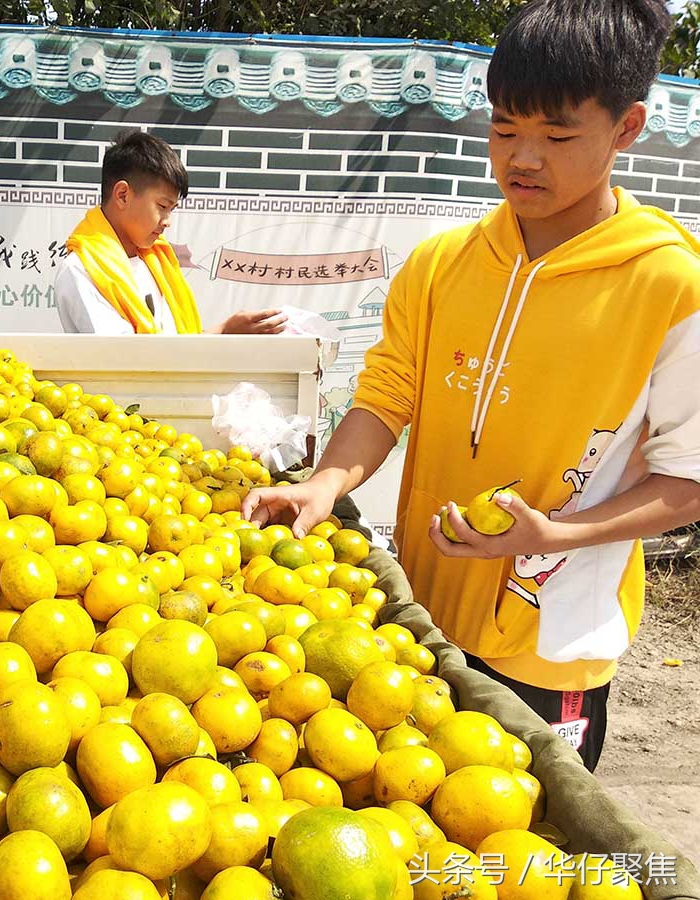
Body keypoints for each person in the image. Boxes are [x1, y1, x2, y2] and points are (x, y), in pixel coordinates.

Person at [242, 0, 700, 771]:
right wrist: (324, 485)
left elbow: (688, 481)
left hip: (550, 642)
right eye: (503, 129)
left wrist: (556, 536)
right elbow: (387, 396)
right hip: (420, 617)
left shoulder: (671, 286)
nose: (522, 157)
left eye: (556, 136)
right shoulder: (442, 263)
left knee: (521, 860)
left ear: (626, 127)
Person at [56, 130, 286, 335]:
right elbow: (126, 360)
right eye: (162, 206)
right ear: (123, 195)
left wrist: (226, 332)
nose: (167, 222)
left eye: (172, 209)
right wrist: (222, 333)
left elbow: (173, 345)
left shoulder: (156, 260)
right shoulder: (82, 270)